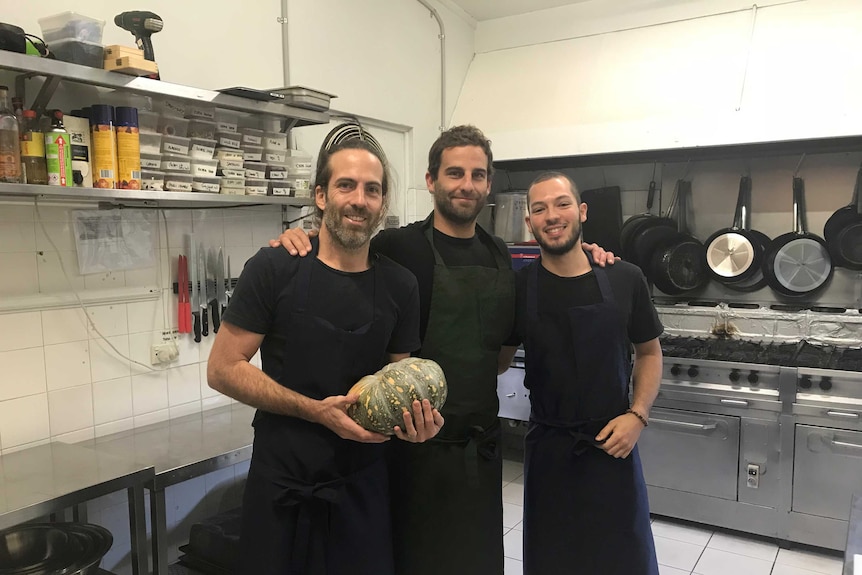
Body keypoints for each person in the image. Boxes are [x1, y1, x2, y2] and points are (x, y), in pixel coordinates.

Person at [275, 125, 614, 575]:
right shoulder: (397, 247)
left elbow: (501, 353)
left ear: (488, 185)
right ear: (432, 180)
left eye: (477, 175)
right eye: (455, 173)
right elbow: (341, 249)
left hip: (479, 447)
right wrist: (297, 241)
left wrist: (590, 254)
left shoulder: (501, 255)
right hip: (410, 452)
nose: (467, 185)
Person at [207, 123, 444, 575]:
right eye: (346, 185)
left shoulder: (400, 285)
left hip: (364, 488)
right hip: (282, 489)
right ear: (320, 195)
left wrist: (418, 422)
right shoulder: (275, 267)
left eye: (372, 190)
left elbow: (403, 378)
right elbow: (222, 368)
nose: (359, 199)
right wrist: (314, 410)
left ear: (382, 205)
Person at [504, 172, 663, 575]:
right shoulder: (518, 288)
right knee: (553, 560)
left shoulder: (625, 278)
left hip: (614, 445)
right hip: (549, 451)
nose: (551, 216)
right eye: (539, 209)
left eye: (561, 204)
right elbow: (498, 360)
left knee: (623, 559)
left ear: (582, 211)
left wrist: (638, 416)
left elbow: (649, 352)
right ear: (529, 223)